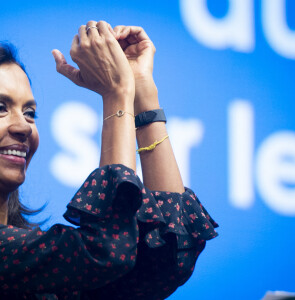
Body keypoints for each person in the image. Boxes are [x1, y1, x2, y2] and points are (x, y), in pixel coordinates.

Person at [0, 20, 218, 299]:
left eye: (30, 113)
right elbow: (107, 250)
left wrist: (142, 95)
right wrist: (116, 94)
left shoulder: (34, 261)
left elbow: (167, 261)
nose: (23, 127)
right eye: (1, 108)